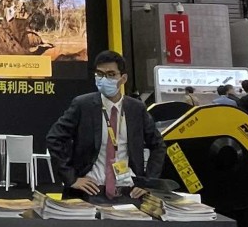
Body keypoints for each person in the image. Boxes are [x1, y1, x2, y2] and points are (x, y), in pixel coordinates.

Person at [47, 50, 162, 197]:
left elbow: (158, 145)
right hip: (89, 189)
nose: (104, 79)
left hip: (128, 190)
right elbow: (54, 138)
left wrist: (148, 182)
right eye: (100, 74)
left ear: (123, 78)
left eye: (111, 74)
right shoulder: (83, 105)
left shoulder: (136, 108)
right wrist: (71, 178)